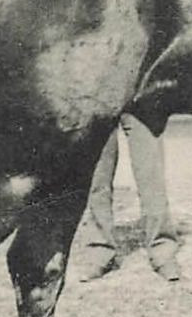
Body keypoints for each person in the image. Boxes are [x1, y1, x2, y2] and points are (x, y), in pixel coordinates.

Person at [74, 115, 182, 282]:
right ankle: (98, 252)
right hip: (102, 97)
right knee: (98, 178)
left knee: (151, 176)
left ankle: (163, 252)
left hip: (140, 100)